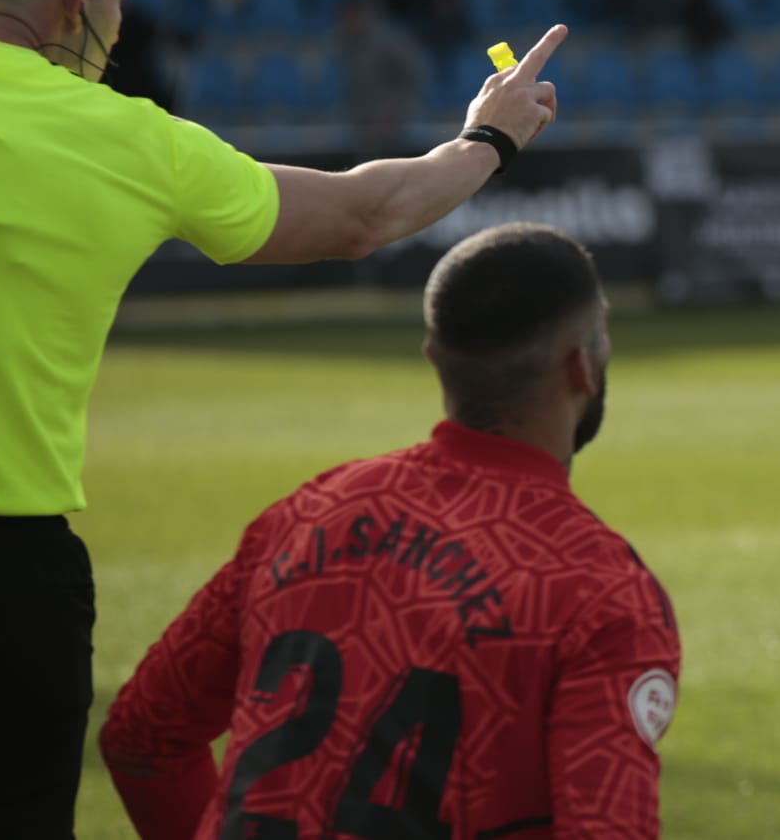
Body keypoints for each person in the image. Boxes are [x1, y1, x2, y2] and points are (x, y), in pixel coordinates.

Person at [0, 0, 565, 838]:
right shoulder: (126, 140)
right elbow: (362, 213)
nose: (117, 26)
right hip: (11, 581)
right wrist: (486, 142)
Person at [99, 224, 679, 838]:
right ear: (580, 366)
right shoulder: (599, 590)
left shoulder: (302, 515)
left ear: (435, 359)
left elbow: (142, 738)